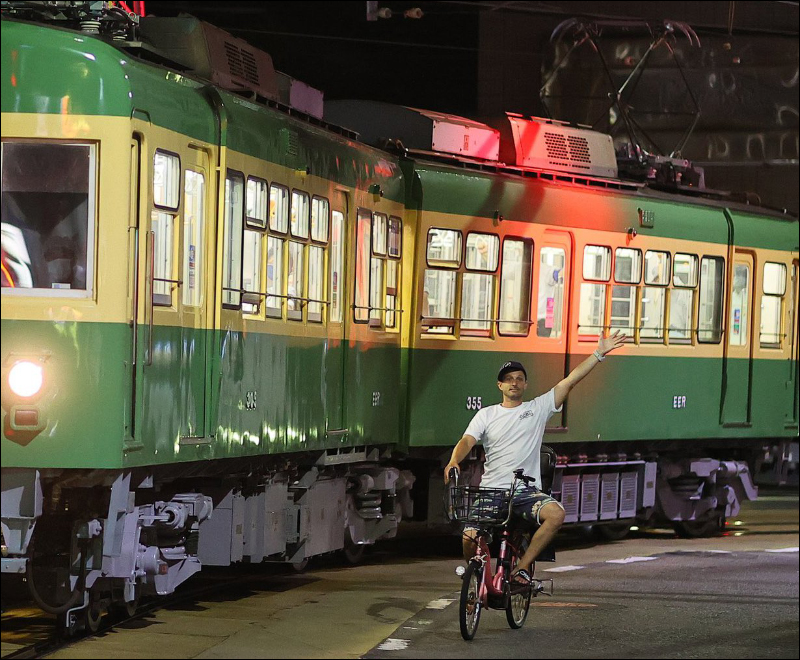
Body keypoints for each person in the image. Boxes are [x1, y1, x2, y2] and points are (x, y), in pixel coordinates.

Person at [444, 330, 627, 584]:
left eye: (519, 379)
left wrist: (598, 353)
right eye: (508, 379)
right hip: (492, 490)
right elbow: (467, 441)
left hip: (525, 492)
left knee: (556, 515)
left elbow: (569, 381)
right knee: (468, 538)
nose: (514, 383)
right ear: (500, 385)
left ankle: (521, 568)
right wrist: (455, 460)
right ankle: (479, 575)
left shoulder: (537, 409)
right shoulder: (486, 415)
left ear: (525, 384)